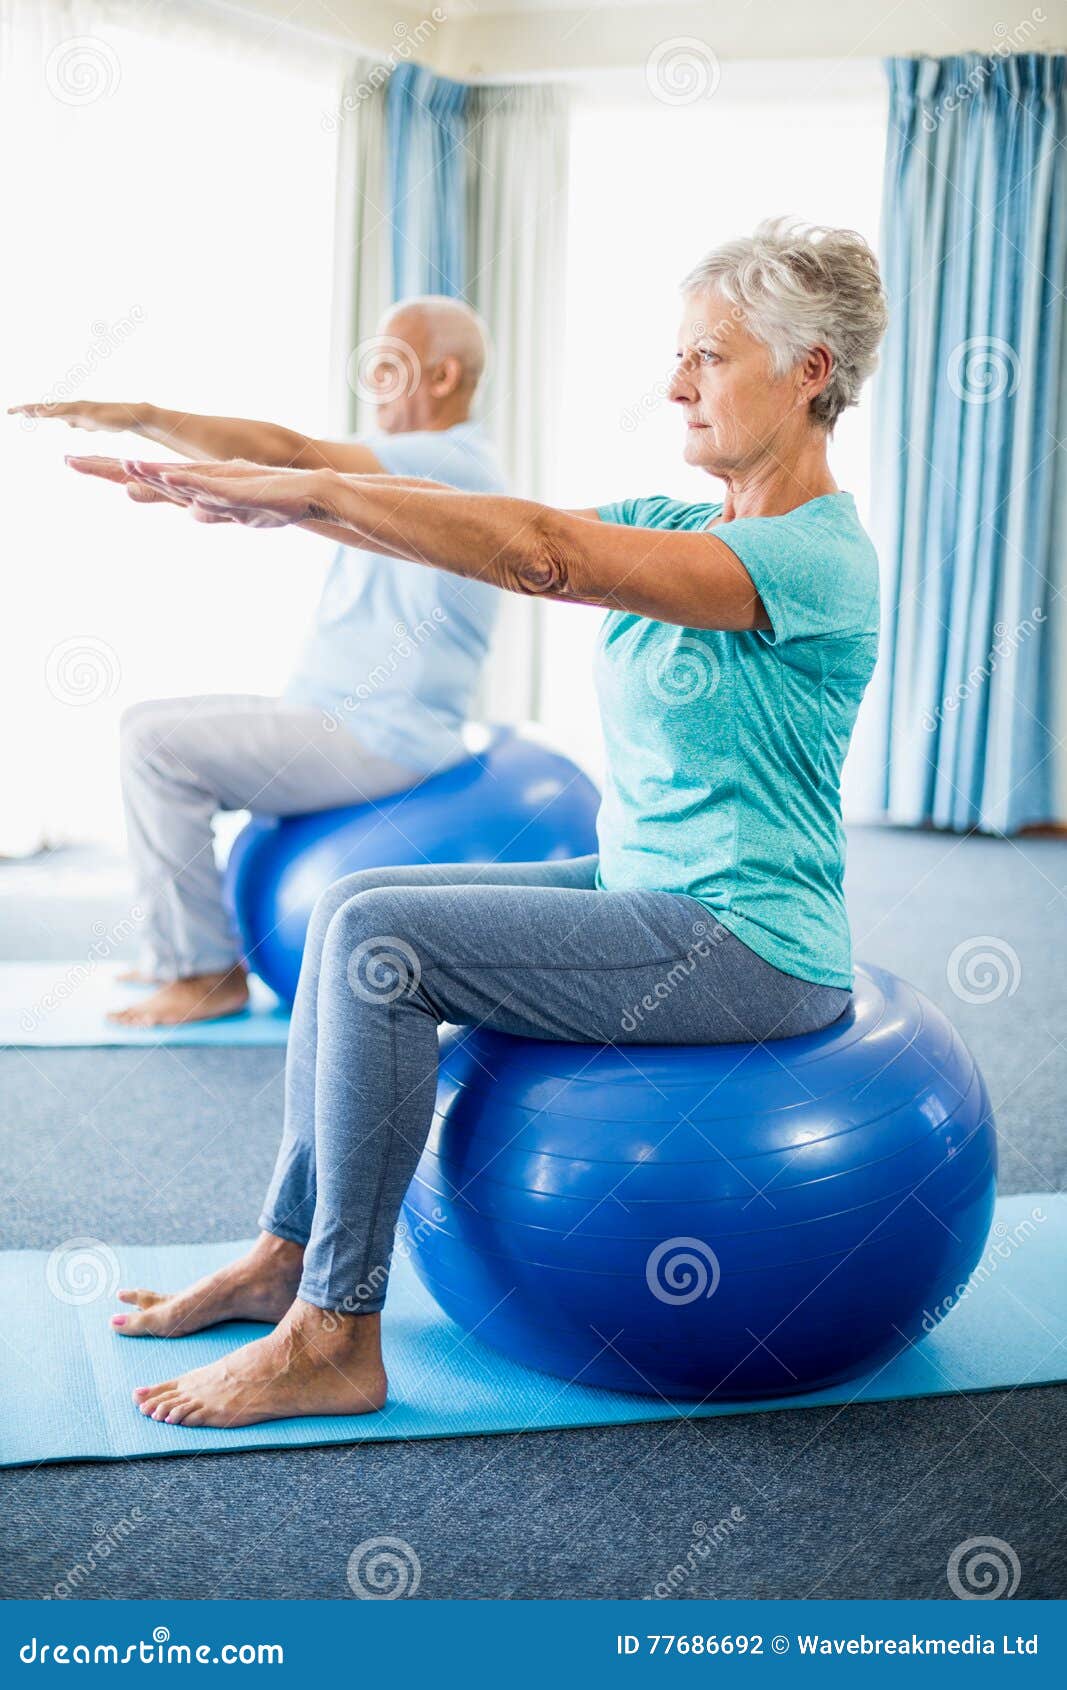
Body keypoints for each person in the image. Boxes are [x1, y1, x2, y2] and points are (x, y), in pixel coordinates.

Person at [68, 219, 888, 1429]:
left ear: (809, 368)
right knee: (355, 904)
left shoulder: (817, 560)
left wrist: (309, 485)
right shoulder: (680, 523)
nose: (673, 385)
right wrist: (297, 512)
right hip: (640, 884)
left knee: (376, 945)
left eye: (705, 358)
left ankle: (335, 1334)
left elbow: (544, 555)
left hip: (747, 941)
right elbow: (487, 521)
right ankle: (284, 1252)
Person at [11, 295, 505, 1027]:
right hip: (330, 718)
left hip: (385, 737)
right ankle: (176, 948)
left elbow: (288, 453)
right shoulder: (395, 472)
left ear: (440, 376)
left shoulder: (455, 460)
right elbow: (281, 473)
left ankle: (206, 974)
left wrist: (140, 415)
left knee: (156, 746)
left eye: (387, 367)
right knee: (146, 723)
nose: (370, 387)